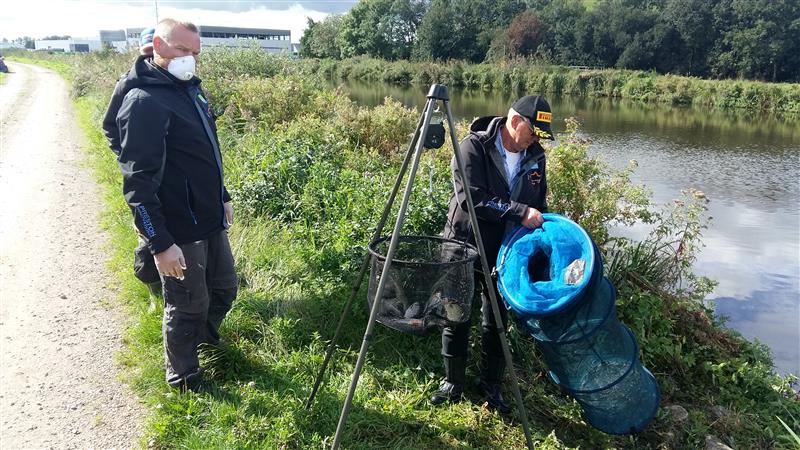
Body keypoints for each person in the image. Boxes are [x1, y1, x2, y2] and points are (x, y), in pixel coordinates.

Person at [111, 18, 237, 392]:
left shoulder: (191, 90)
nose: (190, 59)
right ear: (159, 46)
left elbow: (207, 153)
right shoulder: (144, 101)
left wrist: (223, 196)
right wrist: (160, 243)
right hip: (179, 225)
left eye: (195, 52)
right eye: (183, 50)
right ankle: (184, 378)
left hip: (209, 216)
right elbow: (138, 183)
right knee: (187, 305)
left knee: (224, 289)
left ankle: (202, 343)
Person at [432, 95, 555, 413]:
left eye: (540, 135)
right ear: (515, 122)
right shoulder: (473, 146)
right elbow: (472, 199)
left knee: (497, 319)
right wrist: (520, 212)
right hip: (463, 244)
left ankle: (491, 386)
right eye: (533, 132)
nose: (536, 139)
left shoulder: (536, 157)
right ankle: (453, 383)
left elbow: (538, 203)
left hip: (506, 252)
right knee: (456, 314)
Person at [102, 27, 160, 295]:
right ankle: (152, 286)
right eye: (147, 52)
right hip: (143, 175)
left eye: (154, 52)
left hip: (173, 173)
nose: (151, 58)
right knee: (147, 228)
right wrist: (127, 157)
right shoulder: (128, 84)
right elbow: (109, 126)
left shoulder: (180, 82)